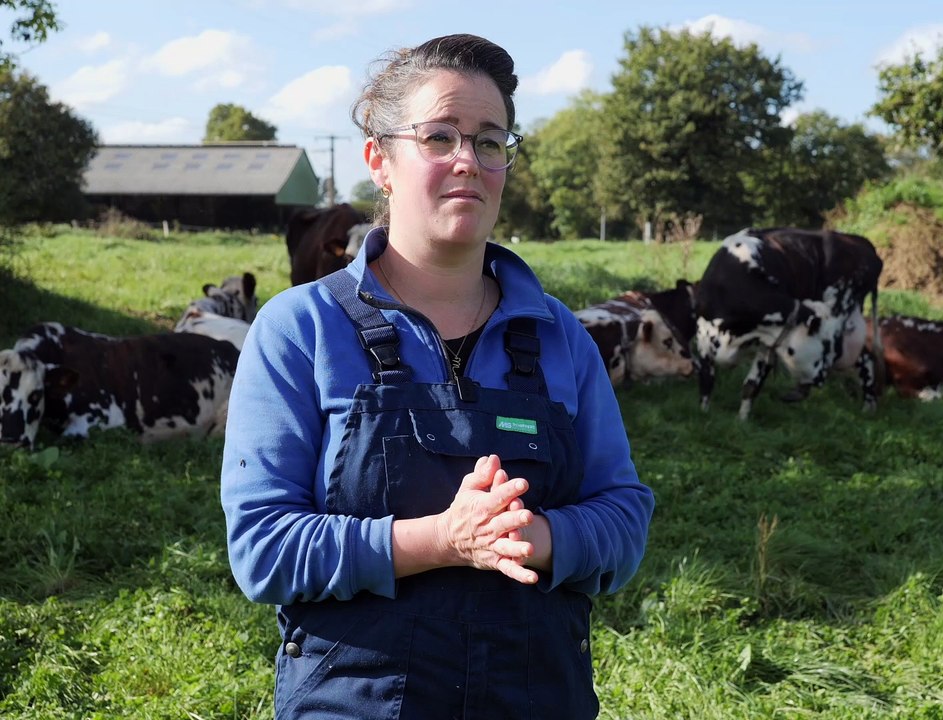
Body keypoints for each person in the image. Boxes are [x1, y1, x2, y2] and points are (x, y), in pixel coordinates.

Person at [220, 33, 654, 719]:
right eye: (439, 136)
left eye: (490, 141)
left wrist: (536, 538)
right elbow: (264, 547)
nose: (468, 162)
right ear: (380, 161)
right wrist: (443, 541)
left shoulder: (559, 337)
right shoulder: (299, 329)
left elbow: (624, 516)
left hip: (538, 699)